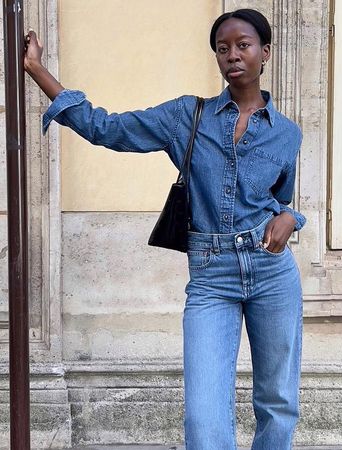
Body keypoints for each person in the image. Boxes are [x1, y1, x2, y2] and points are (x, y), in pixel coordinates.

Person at [24, 8, 306, 450]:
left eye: (243, 45)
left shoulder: (288, 134)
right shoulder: (186, 117)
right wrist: (39, 70)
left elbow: (277, 201)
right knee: (204, 415)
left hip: (272, 273)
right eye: (222, 47)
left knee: (277, 400)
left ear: (265, 53)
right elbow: (106, 128)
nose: (232, 55)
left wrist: (291, 218)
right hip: (212, 276)